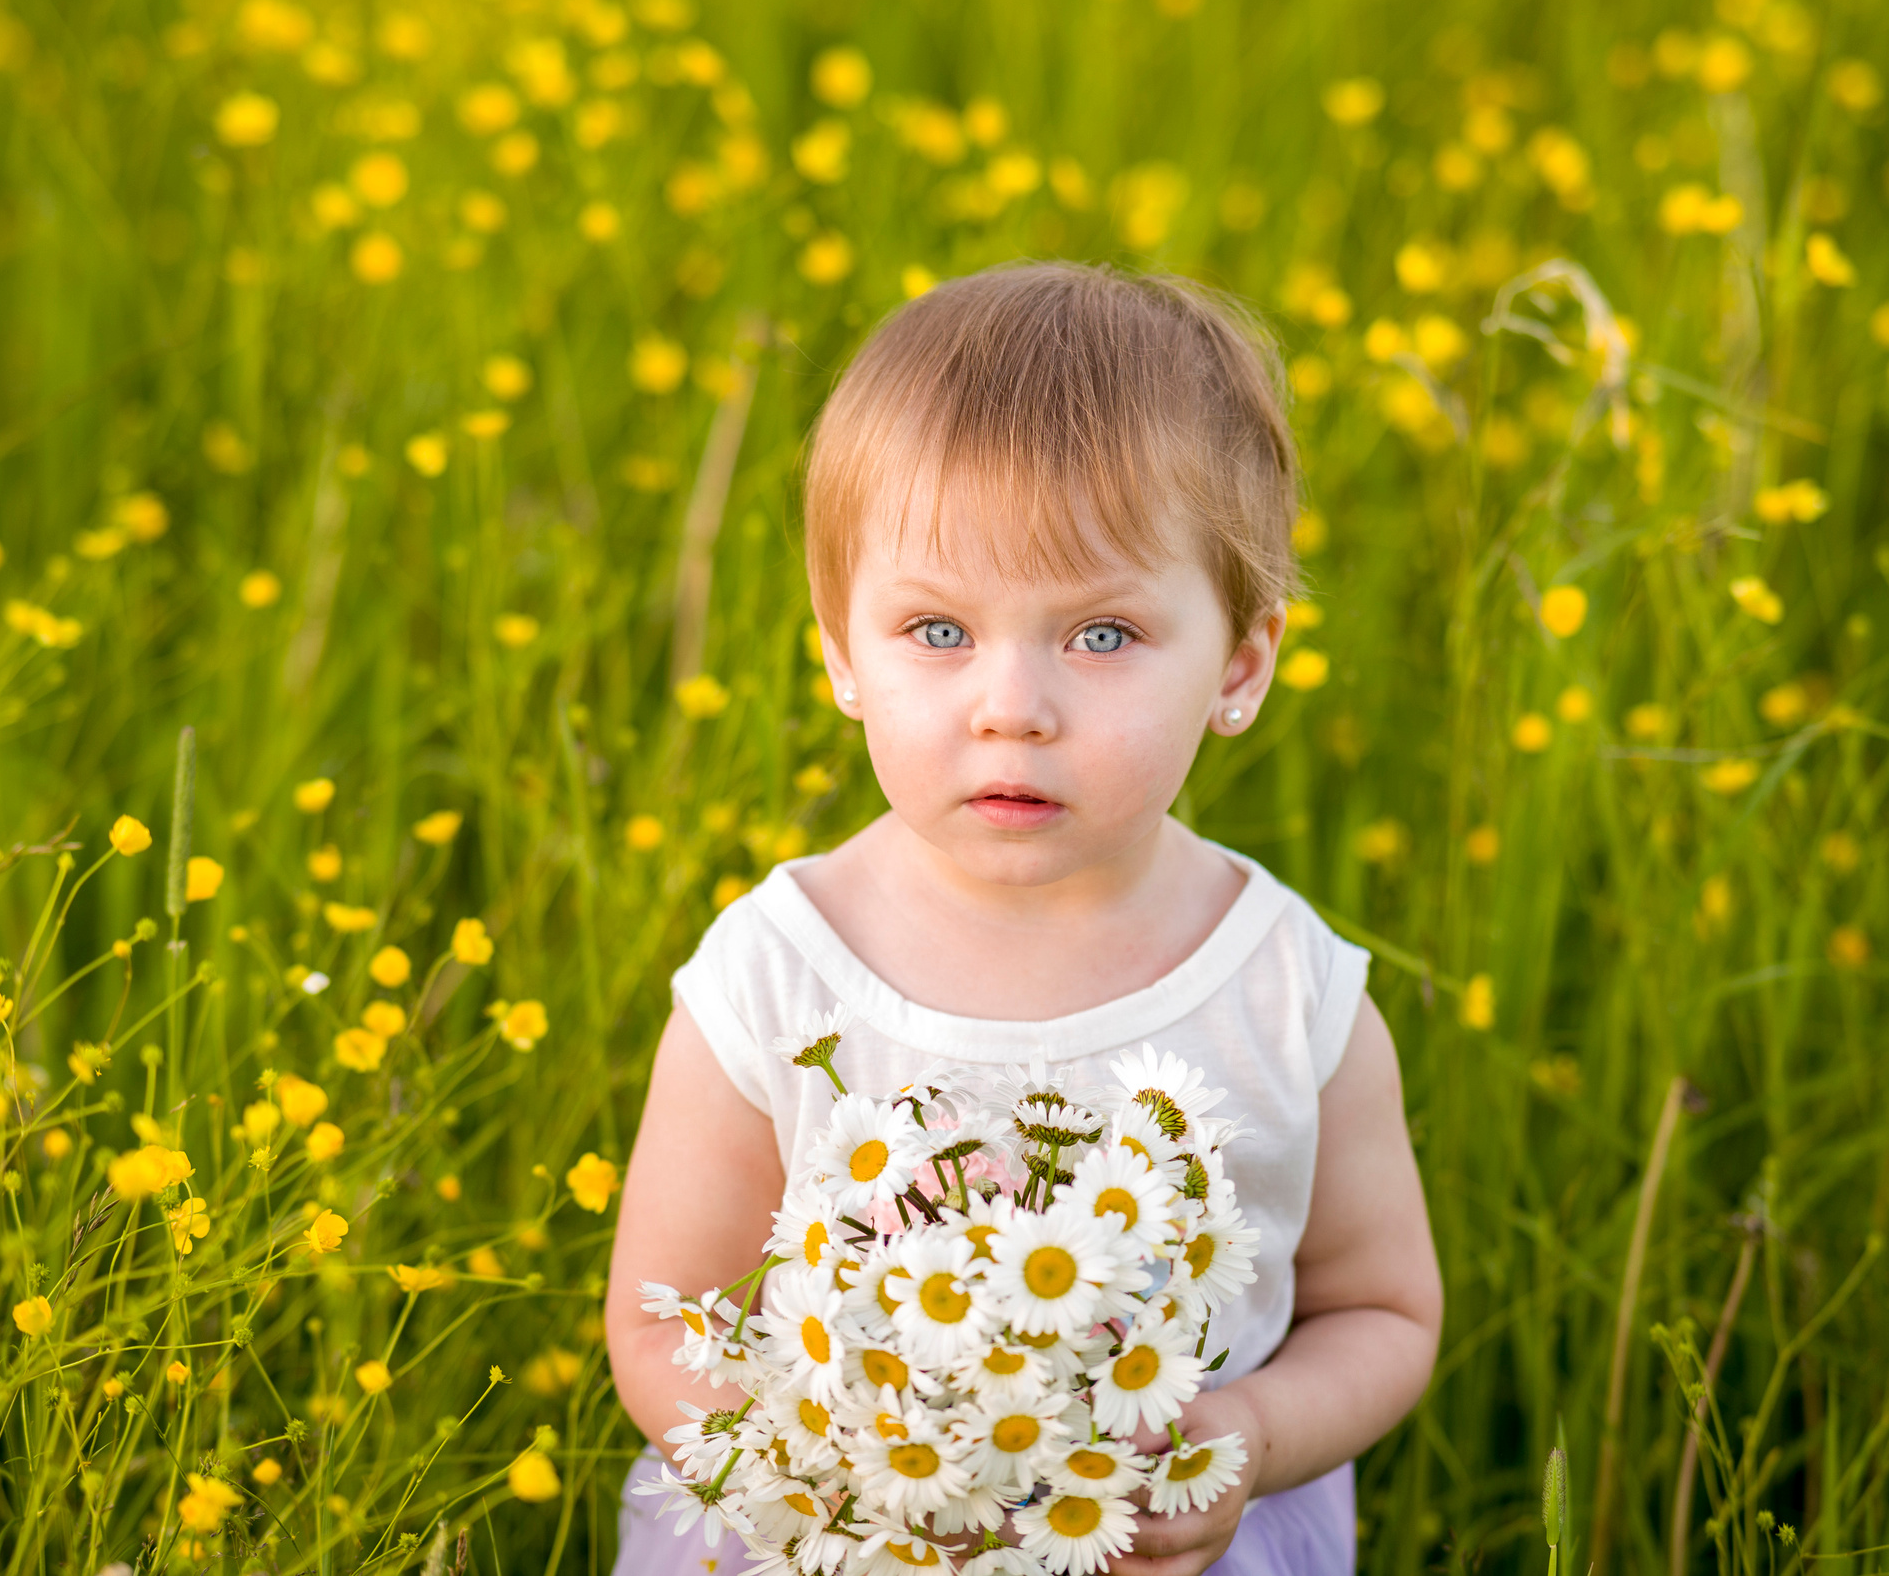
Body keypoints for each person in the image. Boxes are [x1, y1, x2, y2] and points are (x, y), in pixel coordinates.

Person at [603, 260, 1442, 1575]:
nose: (1013, 704)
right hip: (839, 1533)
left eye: (1101, 636)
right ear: (838, 651)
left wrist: (1243, 1433)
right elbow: (666, 1324)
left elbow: (1382, 1309)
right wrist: (846, 1485)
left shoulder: (1285, 993)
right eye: (936, 629)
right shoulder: (776, 977)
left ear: (1240, 662)